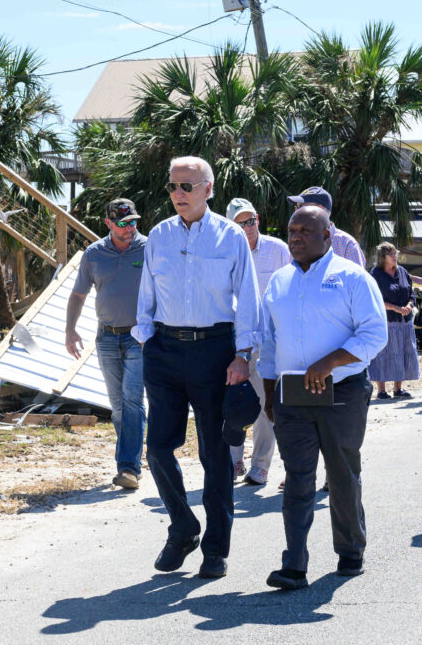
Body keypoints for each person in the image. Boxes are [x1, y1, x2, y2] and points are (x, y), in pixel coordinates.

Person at [135, 156, 260, 580]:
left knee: (214, 454)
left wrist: (243, 355)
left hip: (216, 354)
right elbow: (147, 293)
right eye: (172, 187)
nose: (177, 194)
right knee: (156, 449)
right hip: (164, 351)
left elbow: (248, 296)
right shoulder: (158, 235)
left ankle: (215, 549)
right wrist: (146, 339)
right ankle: (183, 526)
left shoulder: (230, 236)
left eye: (186, 186)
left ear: (209, 188)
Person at [260, 206, 388, 590]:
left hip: (342, 393)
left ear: (327, 236)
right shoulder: (279, 282)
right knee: (297, 477)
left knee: (341, 472)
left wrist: (330, 362)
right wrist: (270, 393)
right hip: (292, 396)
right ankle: (294, 565)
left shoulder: (352, 278)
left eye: (305, 230)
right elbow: (269, 343)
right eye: (291, 230)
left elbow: (374, 334)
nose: (295, 236)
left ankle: (350, 551)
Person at [66, 198, 148, 490]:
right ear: (109, 223)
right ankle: (131, 459)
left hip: (140, 338)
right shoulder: (94, 254)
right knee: (117, 406)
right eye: (123, 224)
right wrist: (70, 330)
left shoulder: (149, 248)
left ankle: (128, 467)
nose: (129, 229)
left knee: (132, 400)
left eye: (133, 222)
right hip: (107, 337)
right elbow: (78, 295)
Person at [225, 197, 291, 486]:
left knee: (266, 404)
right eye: (240, 223)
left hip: (269, 339)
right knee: (233, 403)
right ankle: (233, 460)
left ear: (258, 220)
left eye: (250, 220)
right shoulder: (224, 251)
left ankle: (261, 465)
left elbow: (292, 287)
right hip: (235, 340)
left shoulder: (278, 250)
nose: (247, 227)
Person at [368, 242, 420, 400]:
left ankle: (398, 389)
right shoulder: (375, 274)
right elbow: (374, 299)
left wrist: (409, 306)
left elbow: (412, 293)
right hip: (386, 321)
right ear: (382, 258)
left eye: (395, 253)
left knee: (403, 353)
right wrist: (396, 308)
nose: (394, 256)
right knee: (383, 354)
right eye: (390, 254)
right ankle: (381, 390)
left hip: (405, 321)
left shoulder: (403, 271)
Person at [288, 186, 365, 267]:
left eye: (301, 207)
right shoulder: (296, 241)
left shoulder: (347, 244)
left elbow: (357, 278)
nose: (296, 212)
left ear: (319, 209)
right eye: (296, 207)